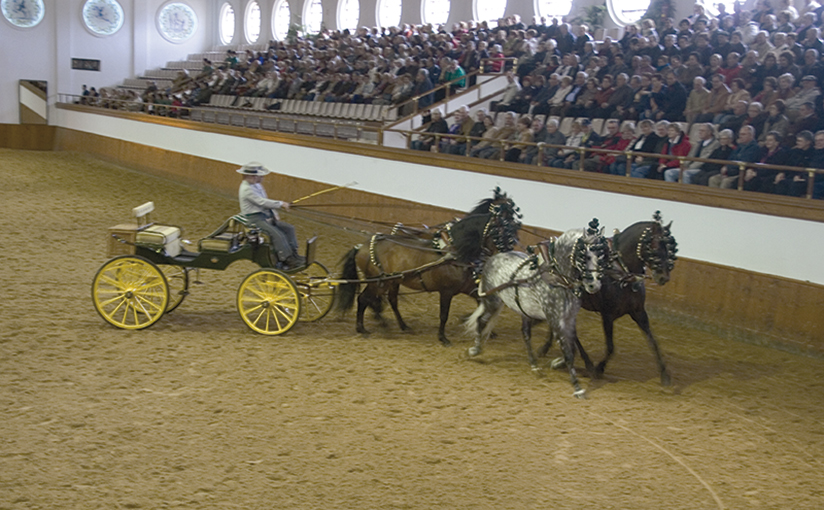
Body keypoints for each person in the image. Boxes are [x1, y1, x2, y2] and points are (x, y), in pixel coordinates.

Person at [237, 162, 304, 270]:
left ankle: (293, 254)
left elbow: (266, 201)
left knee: (289, 228)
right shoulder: (246, 189)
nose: (262, 178)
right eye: (259, 176)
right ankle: (286, 258)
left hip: (264, 216)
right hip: (254, 219)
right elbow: (262, 202)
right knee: (277, 234)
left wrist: (275, 213)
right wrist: (280, 204)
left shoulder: (257, 186)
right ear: (251, 176)